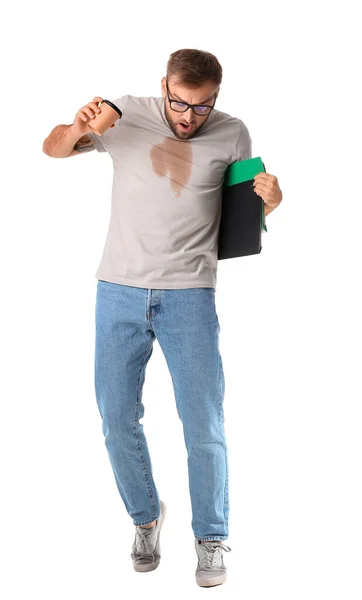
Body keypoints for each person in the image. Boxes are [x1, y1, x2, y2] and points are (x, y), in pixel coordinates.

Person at [42, 48, 283, 588]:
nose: (188, 116)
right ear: (164, 87)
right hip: (118, 291)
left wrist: (271, 202)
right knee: (116, 418)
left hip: (190, 295)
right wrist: (78, 125)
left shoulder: (233, 133)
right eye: (180, 103)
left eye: (202, 107)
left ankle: (212, 536)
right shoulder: (124, 114)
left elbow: (243, 224)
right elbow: (54, 150)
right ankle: (145, 518)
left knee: (204, 424)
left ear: (215, 98)